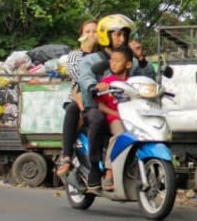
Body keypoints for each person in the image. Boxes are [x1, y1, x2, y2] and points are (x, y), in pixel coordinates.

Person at [78, 14, 143, 190]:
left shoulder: (133, 62)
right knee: (100, 121)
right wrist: (92, 86)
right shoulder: (90, 60)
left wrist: (143, 61)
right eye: (117, 34)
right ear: (106, 36)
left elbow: (145, 78)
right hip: (98, 107)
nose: (122, 39)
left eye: (124, 35)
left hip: (128, 110)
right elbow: (84, 78)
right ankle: (100, 169)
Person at [56, 20, 99, 177]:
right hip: (78, 95)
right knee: (73, 110)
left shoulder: (103, 55)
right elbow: (79, 76)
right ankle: (66, 155)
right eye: (87, 32)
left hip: (99, 97)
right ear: (81, 36)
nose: (91, 35)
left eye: (95, 31)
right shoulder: (74, 55)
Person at [93, 45, 134, 191]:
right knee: (120, 135)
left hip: (132, 118)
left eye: (118, 61)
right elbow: (99, 106)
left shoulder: (133, 83)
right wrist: (115, 114)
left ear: (128, 64)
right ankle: (109, 172)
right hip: (113, 118)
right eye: (112, 60)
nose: (113, 63)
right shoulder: (107, 82)